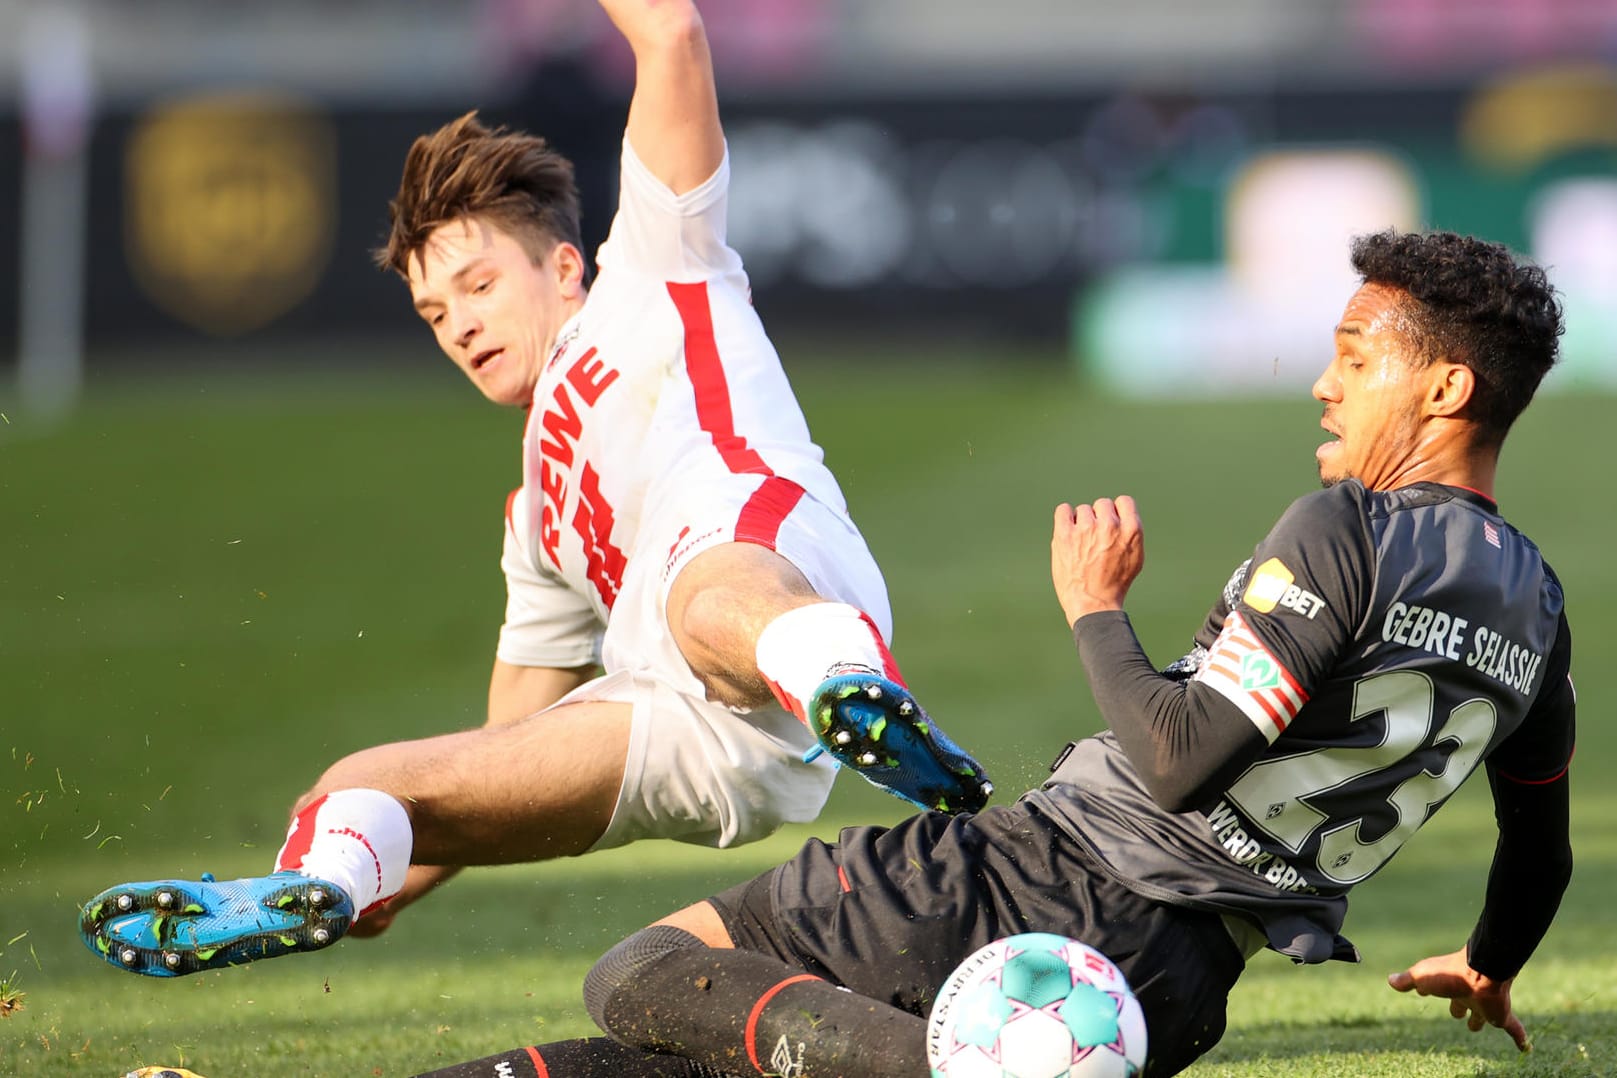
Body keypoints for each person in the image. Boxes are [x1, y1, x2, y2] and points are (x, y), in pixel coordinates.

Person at [408, 229, 1575, 1078]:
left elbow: (1177, 757)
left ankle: (964, 1072)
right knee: (712, 1054)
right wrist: (1489, 960)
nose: (1325, 382)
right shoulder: (1538, 610)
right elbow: (1540, 852)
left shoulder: (1348, 530)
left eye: (1356, 358)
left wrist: (1094, 607)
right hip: (1173, 986)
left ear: (1446, 386)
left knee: (643, 974)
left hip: (1036, 880)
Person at [78, 0, 990, 980]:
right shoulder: (536, 521)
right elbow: (508, 740)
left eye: (476, 285)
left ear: (561, 267)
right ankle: (326, 884)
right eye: (434, 310)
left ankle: (852, 689)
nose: (458, 324)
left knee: (700, 597)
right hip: (688, 730)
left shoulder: (656, 267)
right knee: (361, 782)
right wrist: (399, 865)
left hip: (766, 572)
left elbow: (672, 33)